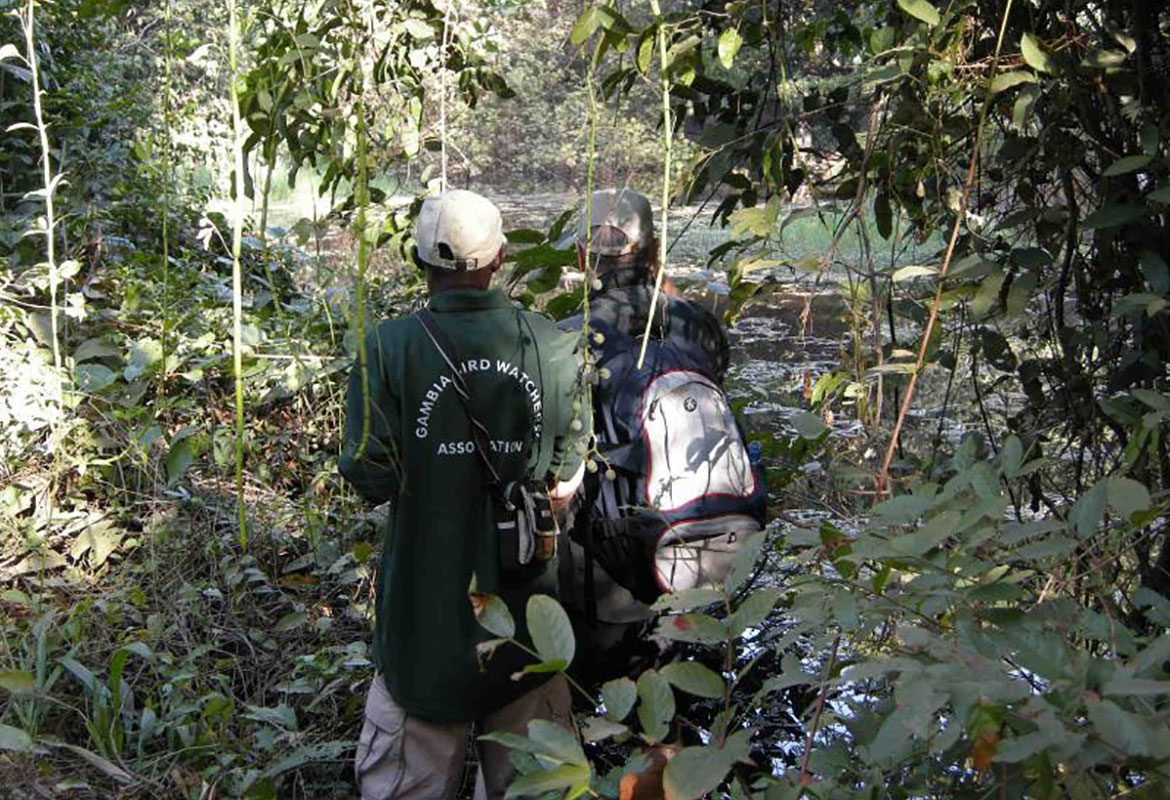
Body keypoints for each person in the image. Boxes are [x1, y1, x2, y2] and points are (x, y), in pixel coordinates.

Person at [339, 189, 589, 799]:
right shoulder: (553, 346)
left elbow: (368, 477)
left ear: (419, 262)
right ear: (500, 258)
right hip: (527, 629)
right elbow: (564, 482)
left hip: (422, 628)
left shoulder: (387, 348)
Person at [559, 188, 766, 687]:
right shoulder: (699, 323)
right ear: (655, 252)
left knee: (604, 709)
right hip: (712, 545)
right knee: (685, 704)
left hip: (614, 570)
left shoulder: (566, 336)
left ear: (584, 257)